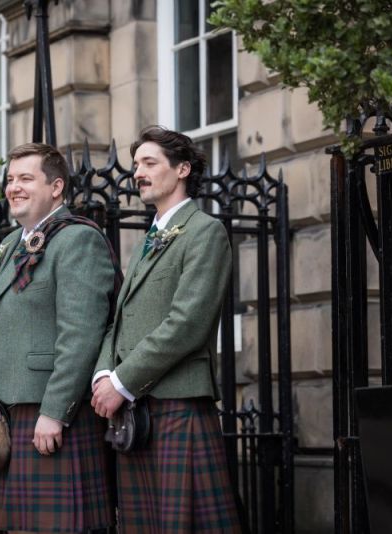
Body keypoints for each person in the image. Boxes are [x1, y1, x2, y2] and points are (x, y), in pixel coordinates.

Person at [91, 126, 241, 533]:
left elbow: (187, 323)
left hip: (178, 406)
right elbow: (118, 321)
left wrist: (121, 380)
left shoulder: (204, 232)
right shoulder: (149, 239)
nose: (137, 172)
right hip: (137, 413)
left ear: (182, 169)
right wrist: (105, 373)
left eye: (149, 163)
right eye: (136, 163)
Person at [0, 142, 118, 534]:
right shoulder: (8, 244)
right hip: (6, 411)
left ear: (56, 187)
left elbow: (81, 334)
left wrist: (55, 410)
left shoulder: (77, 239)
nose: (13, 187)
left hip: (48, 411)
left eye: (25, 179)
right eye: (11, 179)